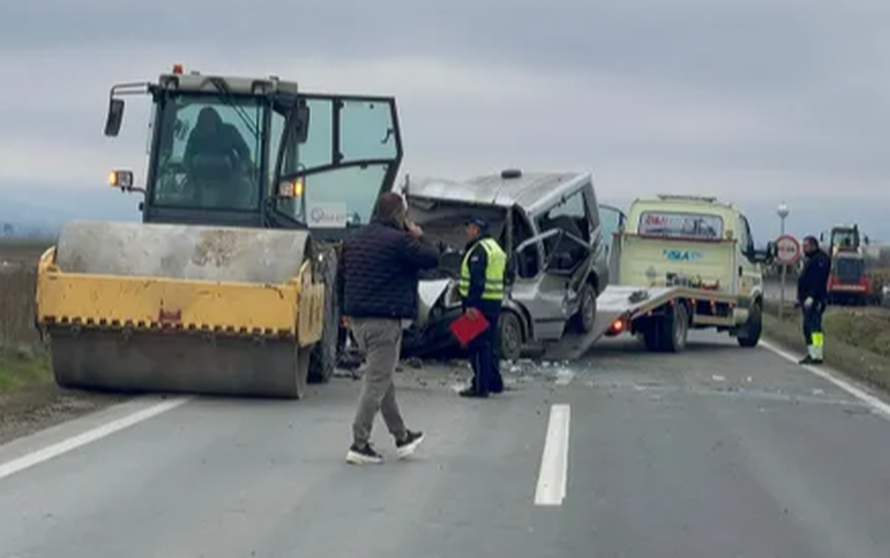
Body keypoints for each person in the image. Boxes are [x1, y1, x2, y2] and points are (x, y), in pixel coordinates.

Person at [339, 191, 440, 464]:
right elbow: (433, 258)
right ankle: (359, 443)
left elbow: (341, 277)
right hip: (385, 323)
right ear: (398, 215)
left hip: (359, 323)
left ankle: (401, 436)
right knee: (376, 383)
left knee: (383, 380)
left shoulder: (355, 239)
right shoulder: (400, 242)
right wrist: (419, 235)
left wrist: (344, 312)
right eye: (404, 214)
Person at [458, 216, 507, 398]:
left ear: (476, 230)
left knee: (476, 346)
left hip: (478, 304)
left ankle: (480, 386)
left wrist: (471, 305)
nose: (467, 232)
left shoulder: (479, 250)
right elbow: (507, 274)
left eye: (469, 228)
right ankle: (494, 382)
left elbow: (477, 281)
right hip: (494, 302)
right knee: (489, 345)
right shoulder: (495, 248)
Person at [796, 235, 831, 365]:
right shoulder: (810, 259)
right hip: (807, 299)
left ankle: (817, 354)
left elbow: (818, 280)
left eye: (805, 246)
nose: (803, 249)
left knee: (814, 327)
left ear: (813, 246)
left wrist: (812, 296)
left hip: (816, 299)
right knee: (808, 327)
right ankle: (812, 353)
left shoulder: (821, 260)